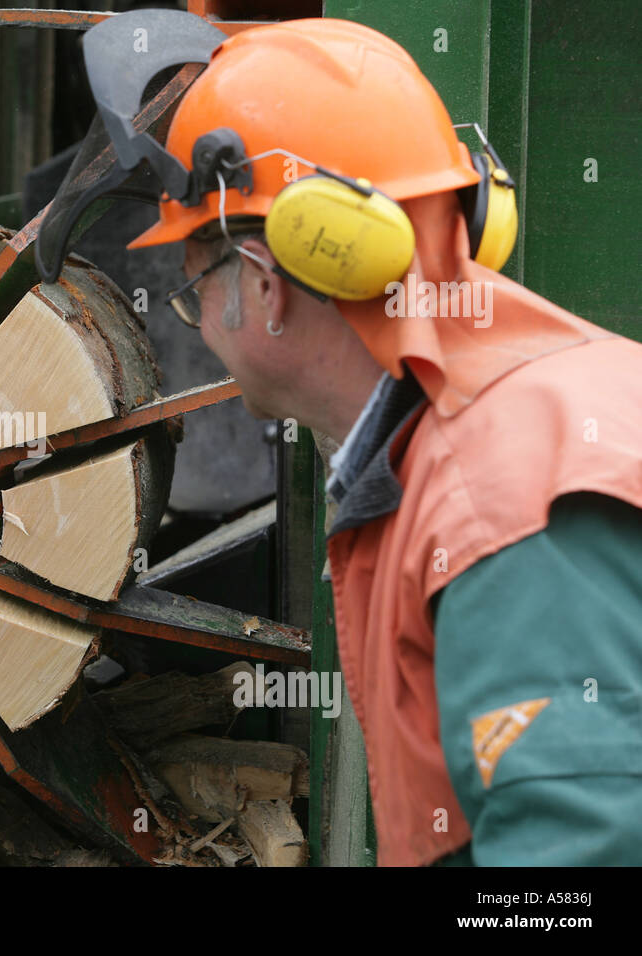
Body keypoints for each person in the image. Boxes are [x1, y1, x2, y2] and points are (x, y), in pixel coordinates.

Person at [38, 12, 642, 865]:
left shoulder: (499, 506)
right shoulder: (478, 432)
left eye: (192, 291)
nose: (198, 323)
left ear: (264, 284)